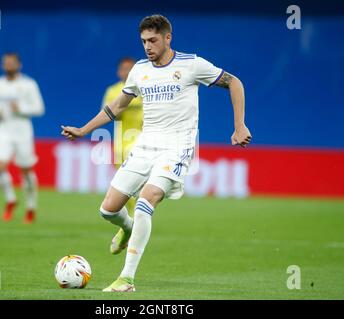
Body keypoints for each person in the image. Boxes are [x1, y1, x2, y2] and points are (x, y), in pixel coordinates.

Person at [61, 14, 251, 292]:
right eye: (143, 42)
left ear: (167, 38)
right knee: (107, 209)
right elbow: (117, 107)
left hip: (177, 147)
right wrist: (83, 129)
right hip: (145, 145)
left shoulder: (191, 64)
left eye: (152, 40)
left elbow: (234, 82)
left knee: (145, 202)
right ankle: (126, 229)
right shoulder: (139, 69)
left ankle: (126, 278)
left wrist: (239, 124)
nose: (147, 46)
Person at [0, 52, 45, 223]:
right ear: (2, 65)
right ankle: (11, 200)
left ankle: (30, 206)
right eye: (5, 63)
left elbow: (39, 108)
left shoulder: (28, 84)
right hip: (3, 129)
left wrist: (20, 108)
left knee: (26, 170)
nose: (9, 66)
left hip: (22, 131)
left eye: (12, 63)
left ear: (19, 65)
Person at [101, 57, 143, 249]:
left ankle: (132, 226)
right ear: (119, 72)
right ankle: (131, 225)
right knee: (126, 191)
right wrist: (123, 106)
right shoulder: (113, 91)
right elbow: (108, 114)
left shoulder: (144, 88)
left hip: (141, 142)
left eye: (130, 69)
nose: (127, 72)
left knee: (137, 190)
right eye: (124, 69)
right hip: (120, 144)